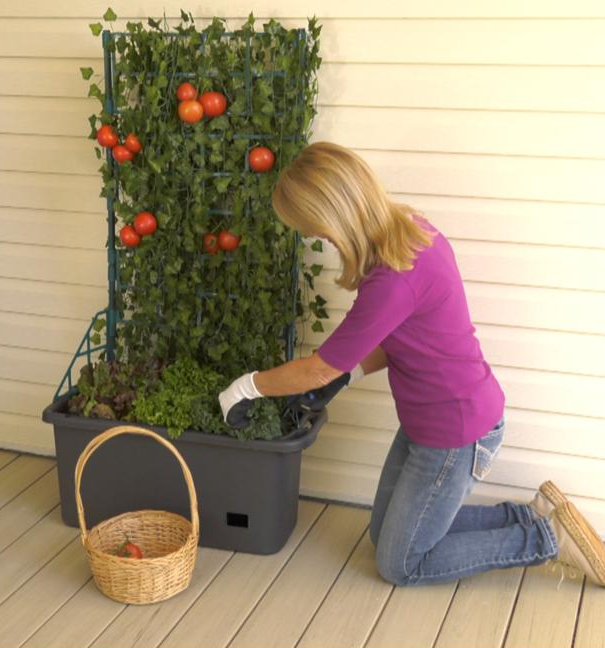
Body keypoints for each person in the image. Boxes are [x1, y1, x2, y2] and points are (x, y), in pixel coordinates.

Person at [218, 141, 605, 588]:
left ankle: (547, 538)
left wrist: (246, 387)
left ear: (336, 216)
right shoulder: (410, 234)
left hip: (456, 435)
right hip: (431, 423)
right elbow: (404, 341)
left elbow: (317, 369)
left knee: (401, 564)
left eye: (318, 231)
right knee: (385, 536)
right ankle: (528, 515)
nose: (320, 240)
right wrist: (354, 372)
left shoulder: (391, 279)